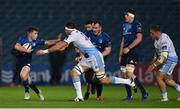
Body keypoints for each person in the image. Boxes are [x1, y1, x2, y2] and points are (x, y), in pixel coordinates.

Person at [36, 22, 136, 102]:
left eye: (65, 30)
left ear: (67, 30)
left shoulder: (73, 34)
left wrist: (45, 51)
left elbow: (61, 45)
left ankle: (128, 81)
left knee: (103, 79)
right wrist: (62, 47)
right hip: (87, 58)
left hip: (95, 57)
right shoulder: (76, 34)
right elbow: (65, 46)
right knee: (74, 73)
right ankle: (79, 97)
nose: (65, 31)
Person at [13, 26, 60, 101]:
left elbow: (47, 42)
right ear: (29, 33)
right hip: (19, 62)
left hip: (27, 62)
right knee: (28, 80)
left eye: (37, 34)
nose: (36, 35)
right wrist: (26, 50)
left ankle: (27, 92)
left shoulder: (36, 41)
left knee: (22, 75)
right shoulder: (23, 39)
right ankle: (38, 92)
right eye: (35, 33)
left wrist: (57, 40)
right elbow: (16, 46)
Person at [119, 9, 148, 101]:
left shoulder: (137, 24)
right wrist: (120, 54)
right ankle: (129, 96)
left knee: (129, 73)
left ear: (131, 16)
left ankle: (144, 92)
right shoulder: (124, 25)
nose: (125, 16)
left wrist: (129, 48)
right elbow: (123, 40)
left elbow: (139, 38)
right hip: (125, 53)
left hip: (133, 51)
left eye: (126, 15)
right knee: (124, 75)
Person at [146, 25, 180, 101]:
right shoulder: (156, 40)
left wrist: (154, 66)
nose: (150, 35)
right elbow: (156, 54)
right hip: (167, 60)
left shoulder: (164, 39)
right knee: (167, 81)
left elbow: (164, 56)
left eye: (152, 33)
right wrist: (151, 64)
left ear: (157, 32)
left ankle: (165, 98)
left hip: (170, 59)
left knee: (158, 77)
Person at [83, 20, 111, 101]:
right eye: (93, 28)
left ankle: (99, 96)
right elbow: (80, 44)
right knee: (88, 79)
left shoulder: (105, 37)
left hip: (100, 59)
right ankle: (93, 85)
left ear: (100, 28)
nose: (94, 29)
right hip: (89, 59)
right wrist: (79, 55)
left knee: (99, 78)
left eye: (96, 28)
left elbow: (108, 50)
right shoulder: (87, 34)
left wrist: (99, 56)